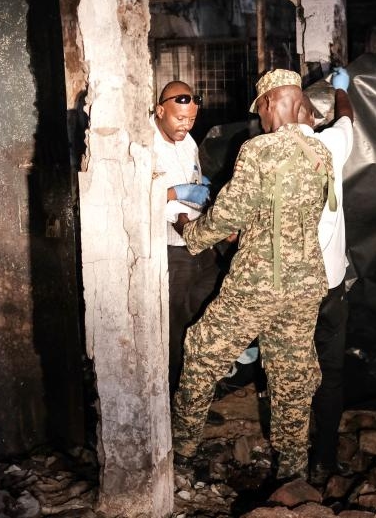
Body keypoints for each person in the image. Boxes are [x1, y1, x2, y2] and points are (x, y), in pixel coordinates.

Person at [171, 68, 334, 480]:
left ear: (272, 103)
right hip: (306, 283)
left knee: (202, 350)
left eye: (261, 108)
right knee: (291, 372)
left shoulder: (258, 150)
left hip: (258, 284)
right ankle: (292, 468)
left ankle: (181, 448)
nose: (260, 119)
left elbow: (230, 212)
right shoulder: (321, 154)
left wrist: (192, 234)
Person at [298, 67, 355, 484]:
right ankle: (324, 457)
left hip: (294, 291)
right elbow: (348, 118)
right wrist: (340, 90)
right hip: (331, 286)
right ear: (317, 119)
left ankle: (291, 462)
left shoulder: (267, 154)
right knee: (330, 375)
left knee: (292, 373)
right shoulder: (332, 146)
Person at [152, 81, 217, 395]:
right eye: (179, 119)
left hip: (197, 239)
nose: (185, 126)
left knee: (198, 314)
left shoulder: (188, 140)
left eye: (191, 120)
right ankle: (172, 394)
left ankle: (194, 392)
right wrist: (175, 193)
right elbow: (135, 197)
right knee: (174, 324)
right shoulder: (146, 145)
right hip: (170, 247)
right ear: (160, 110)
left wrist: (197, 185)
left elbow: (193, 178)